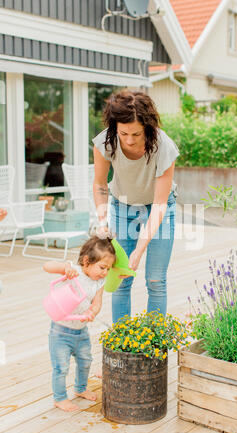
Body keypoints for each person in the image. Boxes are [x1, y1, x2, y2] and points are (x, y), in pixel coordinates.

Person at [92, 90, 179, 324]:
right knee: (120, 277)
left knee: (155, 280)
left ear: (147, 128)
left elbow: (160, 203)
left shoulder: (164, 147)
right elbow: (100, 185)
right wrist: (102, 223)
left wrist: (139, 251)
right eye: (124, 133)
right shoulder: (105, 142)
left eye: (136, 133)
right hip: (122, 206)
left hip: (158, 207)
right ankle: (123, 340)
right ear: (115, 127)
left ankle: (154, 342)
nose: (129, 140)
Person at [43, 236, 115, 412]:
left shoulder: (99, 282)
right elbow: (46, 266)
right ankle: (60, 398)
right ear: (86, 261)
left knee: (85, 361)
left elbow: (97, 302)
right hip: (61, 331)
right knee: (61, 367)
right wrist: (64, 268)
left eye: (108, 269)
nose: (105, 272)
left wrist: (92, 312)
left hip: (81, 331)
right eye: (102, 267)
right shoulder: (74, 271)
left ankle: (80, 388)